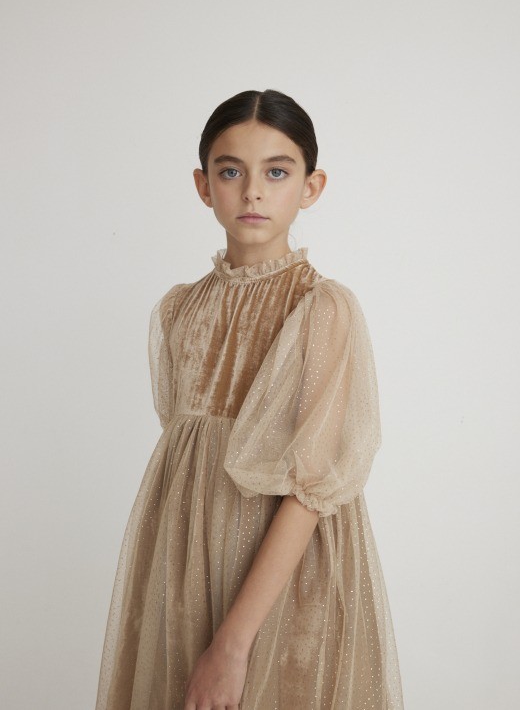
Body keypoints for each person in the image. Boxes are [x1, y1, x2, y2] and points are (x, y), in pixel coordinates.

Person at [95, 89, 404, 710]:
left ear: (311, 187)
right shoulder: (180, 309)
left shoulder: (321, 309)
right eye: (231, 172)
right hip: (184, 563)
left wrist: (233, 644)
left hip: (283, 580)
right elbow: (188, 457)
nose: (253, 192)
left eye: (277, 172)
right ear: (203, 185)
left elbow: (311, 488)